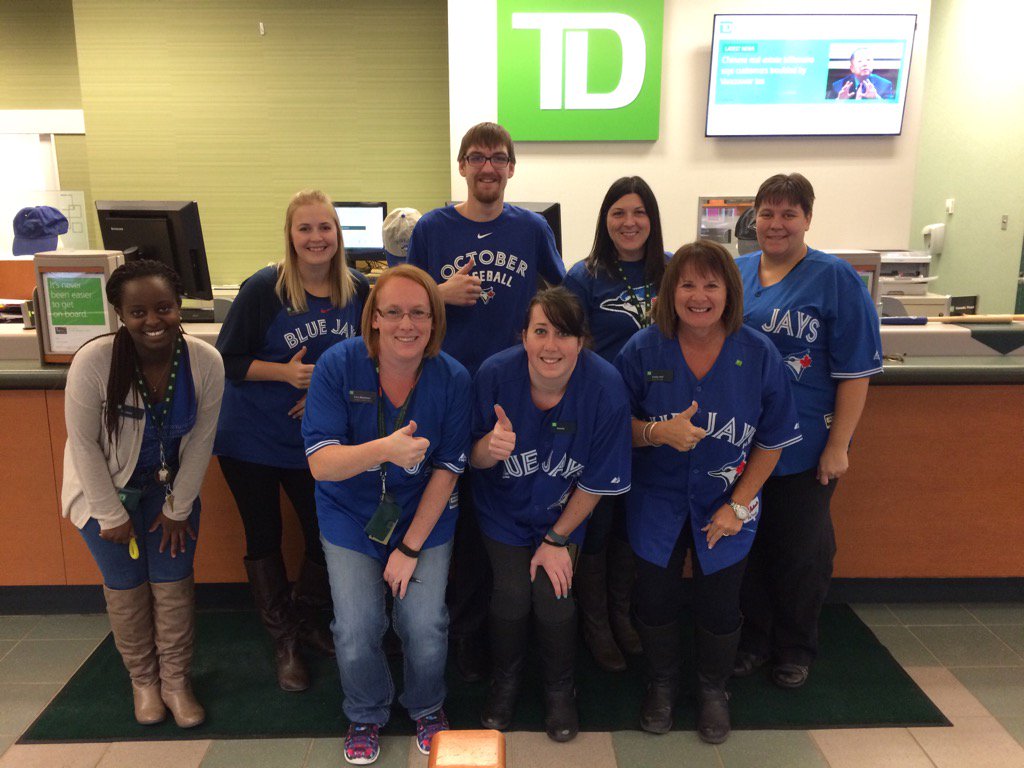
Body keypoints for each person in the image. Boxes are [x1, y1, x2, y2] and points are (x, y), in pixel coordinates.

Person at [614, 241, 800, 743]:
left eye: (711, 285)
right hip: (656, 499)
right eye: (687, 284)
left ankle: (714, 689)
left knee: (720, 602)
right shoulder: (642, 350)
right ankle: (662, 684)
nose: (699, 295)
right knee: (654, 599)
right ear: (670, 292)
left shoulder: (757, 352)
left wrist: (738, 506)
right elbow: (613, 428)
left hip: (727, 503)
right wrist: (656, 433)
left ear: (729, 293)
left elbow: (773, 440)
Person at [407, 121, 565, 682]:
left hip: (509, 394)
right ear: (462, 167)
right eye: (477, 158)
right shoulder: (432, 227)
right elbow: (403, 299)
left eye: (498, 158)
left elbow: (562, 294)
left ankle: (493, 638)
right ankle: (452, 635)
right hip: (445, 389)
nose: (488, 167)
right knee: (448, 511)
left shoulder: (530, 228)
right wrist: (438, 295)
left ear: (511, 168)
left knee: (494, 511)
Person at [302, 264, 470, 764]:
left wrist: (411, 547)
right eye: (392, 311)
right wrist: (385, 451)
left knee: (424, 624)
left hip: (425, 514)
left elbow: (448, 469)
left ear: (435, 321)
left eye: (419, 313)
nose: (406, 324)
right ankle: (366, 710)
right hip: (350, 514)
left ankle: (426, 705)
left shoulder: (453, 378)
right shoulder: (338, 365)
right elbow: (321, 464)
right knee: (355, 629)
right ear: (373, 318)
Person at [214, 190, 369, 692]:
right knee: (264, 537)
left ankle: (305, 619)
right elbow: (228, 361)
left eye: (325, 227)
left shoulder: (359, 289)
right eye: (305, 229)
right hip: (252, 439)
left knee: (325, 537)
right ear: (290, 235)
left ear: (338, 234)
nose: (316, 238)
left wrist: (332, 393)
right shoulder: (264, 289)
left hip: (319, 443)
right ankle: (284, 641)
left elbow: (375, 359)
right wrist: (286, 374)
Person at [734, 173, 883, 689]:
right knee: (747, 545)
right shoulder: (736, 271)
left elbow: (856, 369)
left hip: (806, 443)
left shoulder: (834, 278)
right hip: (744, 443)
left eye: (788, 214)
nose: (775, 225)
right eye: (767, 214)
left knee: (799, 550)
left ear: (807, 219)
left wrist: (839, 445)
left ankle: (795, 647)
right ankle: (754, 639)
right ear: (754, 218)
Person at [62, 259, 224, 728]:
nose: (153, 321)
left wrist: (180, 507)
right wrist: (109, 515)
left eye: (164, 308)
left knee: (173, 581)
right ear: (120, 314)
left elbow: (201, 440)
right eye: (138, 312)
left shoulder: (203, 361)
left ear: (179, 308)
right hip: (104, 494)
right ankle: (144, 682)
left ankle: (176, 681)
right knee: (127, 586)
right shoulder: (94, 362)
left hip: (170, 491)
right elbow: (83, 444)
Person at [471, 287, 631, 743]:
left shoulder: (605, 388)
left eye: (564, 334)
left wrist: (558, 540)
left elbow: (598, 482)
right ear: (523, 336)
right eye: (541, 331)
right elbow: (467, 458)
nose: (551, 346)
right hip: (503, 511)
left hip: (564, 516)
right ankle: (506, 682)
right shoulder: (494, 376)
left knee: (553, 594)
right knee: (511, 595)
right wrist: (487, 448)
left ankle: (561, 689)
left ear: (581, 341)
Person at [563, 176, 667, 672]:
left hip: (661, 420)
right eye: (619, 212)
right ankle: (596, 623)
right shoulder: (584, 276)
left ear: (653, 220)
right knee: (599, 524)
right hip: (604, 421)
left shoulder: (670, 272)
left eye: (639, 212)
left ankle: (622, 616)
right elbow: (569, 348)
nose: (629, 222)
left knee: (632, 524)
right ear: (605, 220)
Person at [829, 48, 895, 100]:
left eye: (868, 60)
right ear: (852, 68)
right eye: (860, 61)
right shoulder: (838, 86)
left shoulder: (885, 85)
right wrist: (839, 101)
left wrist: (876, 98)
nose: (865, 64)